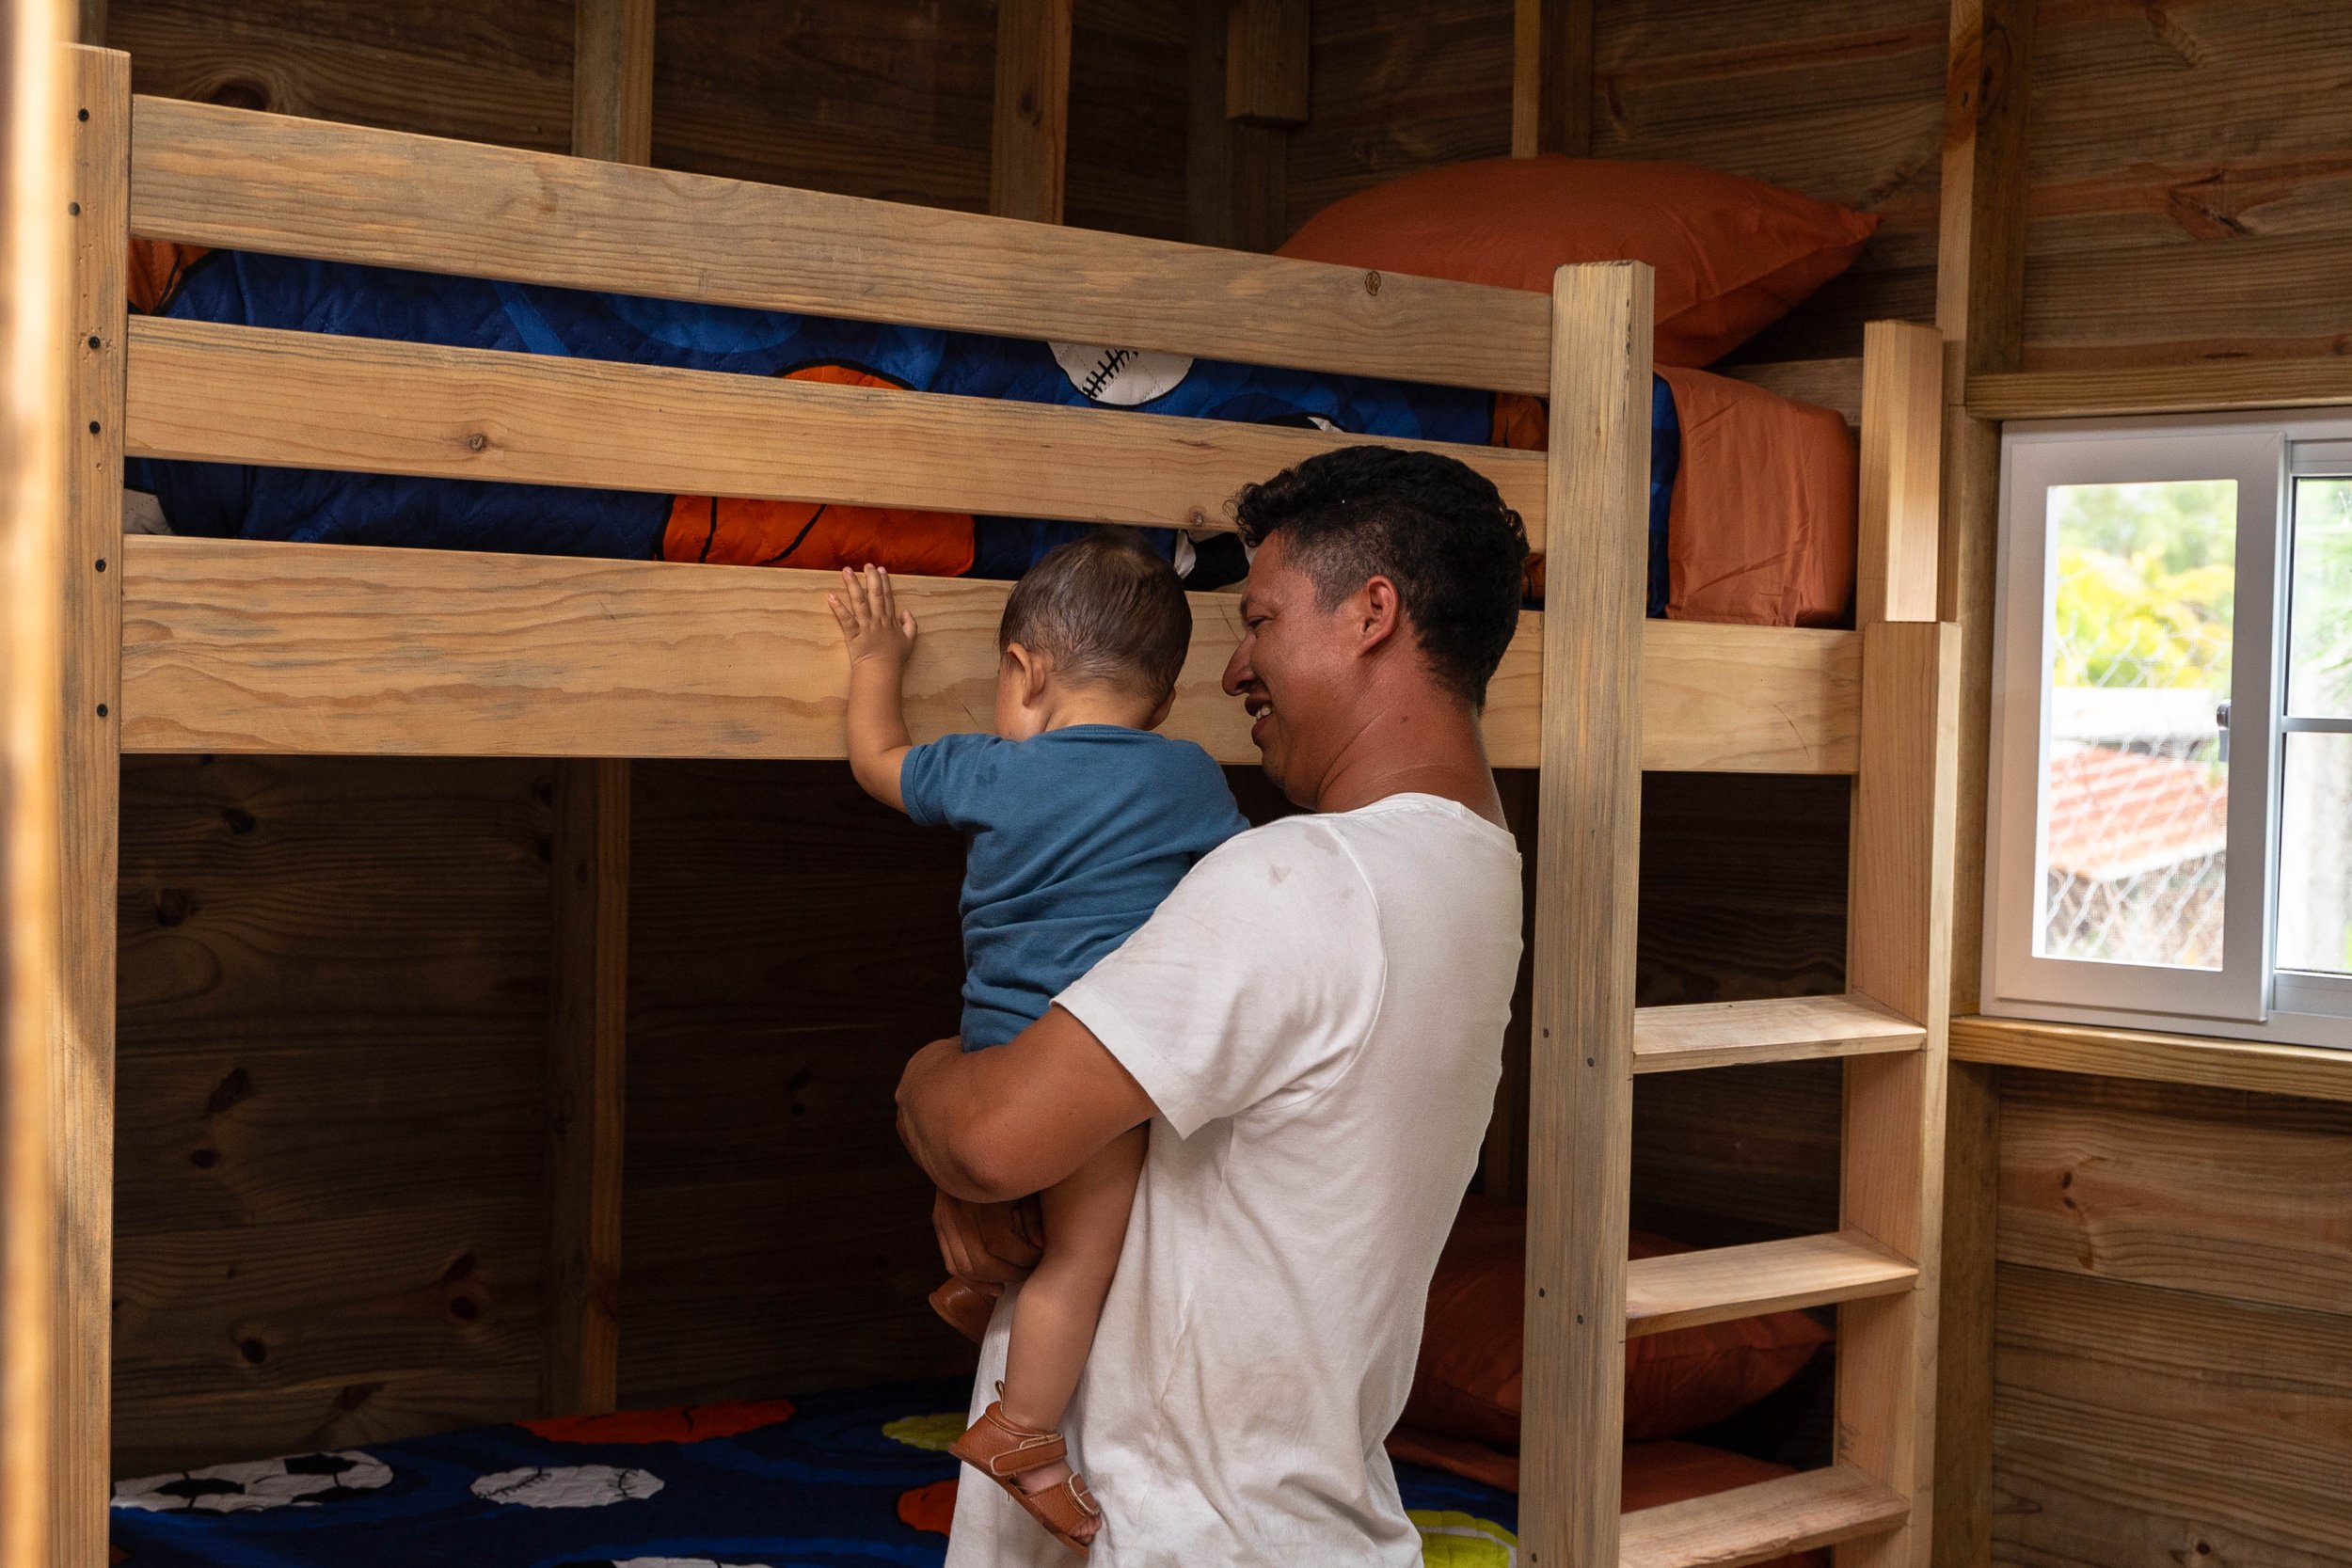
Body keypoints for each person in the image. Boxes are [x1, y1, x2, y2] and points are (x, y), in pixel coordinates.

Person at [895, 446, 1530, 1566]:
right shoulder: (1475, 872)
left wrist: (923, 1077)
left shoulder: (1302, 880)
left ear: (1371, 612)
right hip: (1289, 1515)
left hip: (1176, 1532)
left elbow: (991, 1135)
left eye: (1261, 617)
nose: (1234, 666)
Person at [828, 535, 1248, 1555]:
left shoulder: (989, 766)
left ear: (1023, 670)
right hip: (1087, 1059)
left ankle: (976, 1284)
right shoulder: (1187, 776)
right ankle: (1022, 1433)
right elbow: (1244, 884)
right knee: (1082, 1260)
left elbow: (874, 760)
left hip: (986, 1046)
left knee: (1020, 1185)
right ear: (1162, 692)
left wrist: (875, 660)